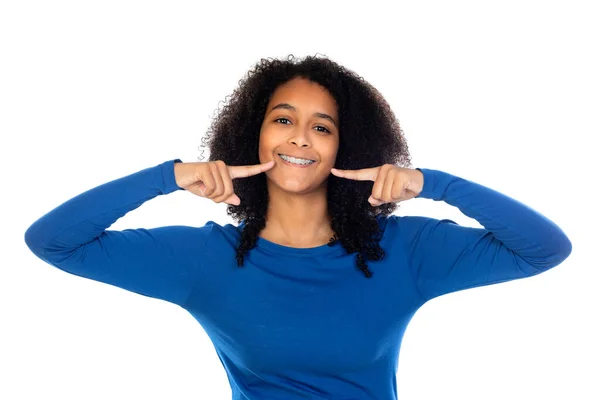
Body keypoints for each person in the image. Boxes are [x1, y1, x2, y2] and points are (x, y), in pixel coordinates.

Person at [24, 54, 572, 399]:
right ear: (253, 135)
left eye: (322, 126)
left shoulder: (405, 250)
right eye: (283, 119)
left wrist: (433, 184)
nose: (299, 138)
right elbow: (53, 241)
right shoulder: (204, 260)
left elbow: (544, 249)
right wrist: (167, 176)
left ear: (348, 146)